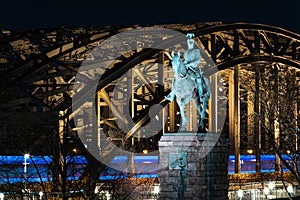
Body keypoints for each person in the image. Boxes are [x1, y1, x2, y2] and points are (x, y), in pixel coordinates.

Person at [165, 33, 203, 101]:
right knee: (176, 78)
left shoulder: (196, 51)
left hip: (193, 68)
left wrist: (190, 64)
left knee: (198, 79)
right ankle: (172, 94)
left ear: (193, 42)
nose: (190, 42)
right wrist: (185, 64)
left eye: (191, 41)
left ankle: (201, 94)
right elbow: (185, 60)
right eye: (189, 41)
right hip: (187, 68)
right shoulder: (186, 52)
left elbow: (198, 60)